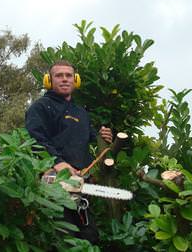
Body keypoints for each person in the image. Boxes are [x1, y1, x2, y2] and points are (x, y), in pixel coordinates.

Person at [25, 60, 113, 244]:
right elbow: (35, 138)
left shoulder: (81, 112)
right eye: (59, 75)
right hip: (54, 183)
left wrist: (103, 136)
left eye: (69, 76)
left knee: (90, 238)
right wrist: (58, 162)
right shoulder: (40, 107)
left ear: (76, 80)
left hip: (80, 184)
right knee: (63, 238)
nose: (64, 79)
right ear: (49, 80)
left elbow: (91, 137)